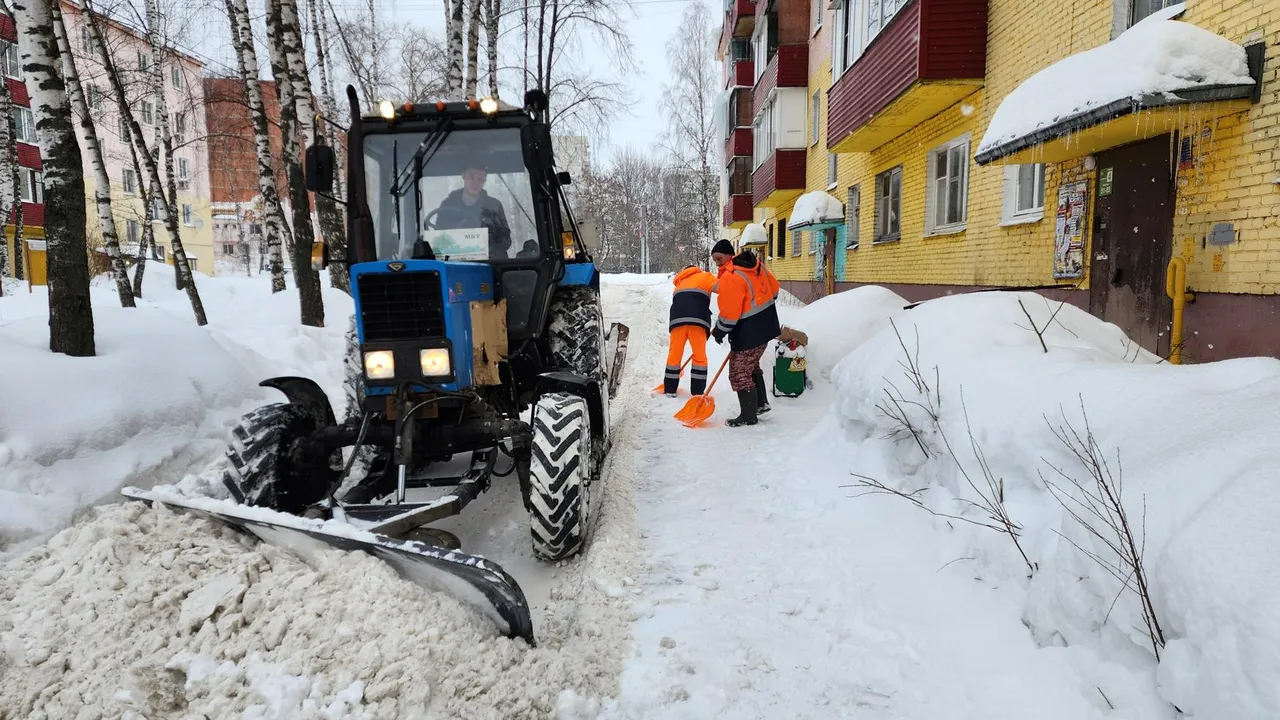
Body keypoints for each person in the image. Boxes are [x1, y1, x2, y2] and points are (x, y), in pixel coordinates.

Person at [710, 239, 780, 427]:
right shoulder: (757, 266)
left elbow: (730, 312)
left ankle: (748, 416)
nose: (717, 263)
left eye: (719, 258)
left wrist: (719, 331)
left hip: (749, 332)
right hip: (767, 326)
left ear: (730, 255)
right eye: (715, 260)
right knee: (751, 366)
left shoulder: (732, 276)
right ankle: (761, 404)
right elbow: (774, 290)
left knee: (739, 372)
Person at [434, 161, 512, 258]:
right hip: (455, 263)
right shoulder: (448, 206)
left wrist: (486, 243)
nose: (475, 183)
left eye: (480, 179)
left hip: (489, 262)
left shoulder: (493, 206)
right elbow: (438, 241)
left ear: (484, 180)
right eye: (470, 177)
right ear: (463, 176)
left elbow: (506, 241)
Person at [664, 264, 718, 397]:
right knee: (699, 357)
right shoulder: (705, 277)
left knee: (674, 355)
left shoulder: (679, 282)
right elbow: (723, 287)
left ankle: (670, 389)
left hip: (677, 321)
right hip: (698, 322)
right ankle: (697, 393)